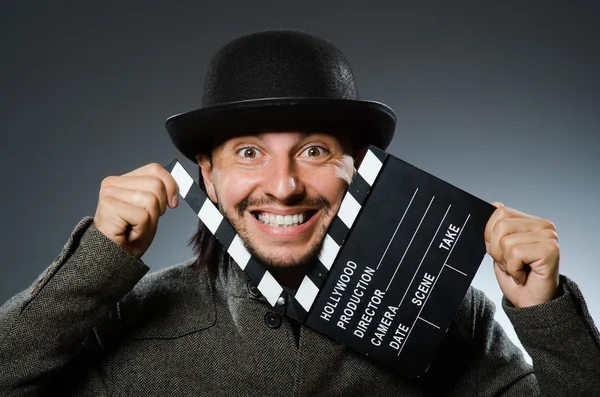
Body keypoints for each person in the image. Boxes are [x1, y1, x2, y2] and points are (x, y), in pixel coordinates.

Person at [0, 29, 598, 397]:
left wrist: (543, 313)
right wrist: (96, 263)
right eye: (250, 152)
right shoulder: (133, 319)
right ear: (207, 173)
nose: (283, 186)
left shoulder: (450, 315)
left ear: (359, 167)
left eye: (314, 151)